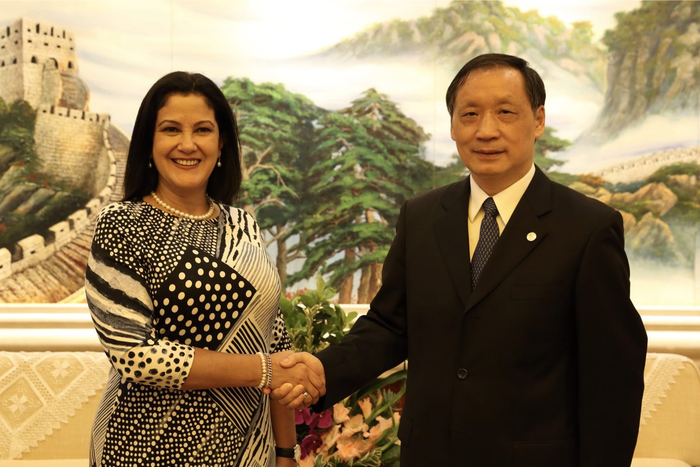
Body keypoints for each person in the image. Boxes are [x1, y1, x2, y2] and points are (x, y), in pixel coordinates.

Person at [274, 54, 648, 466]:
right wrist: (322, 371)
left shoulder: (587, 227)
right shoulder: (421, 217)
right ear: (453, 125)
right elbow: (390, 326)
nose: (486, 130)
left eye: (505, 112)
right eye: (470, 114)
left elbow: (612, 377)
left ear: (538, 120)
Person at [85, 71, 324, 467]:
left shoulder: (244, 225)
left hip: (248, 450)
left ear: (221, 142)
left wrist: (286, 452)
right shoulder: (123, 224)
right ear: (149, 143)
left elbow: (275, 343)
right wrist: (262, 371)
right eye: (171, 129)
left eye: (202, 129)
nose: (187, 144)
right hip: (144, 449)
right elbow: (135, 355)